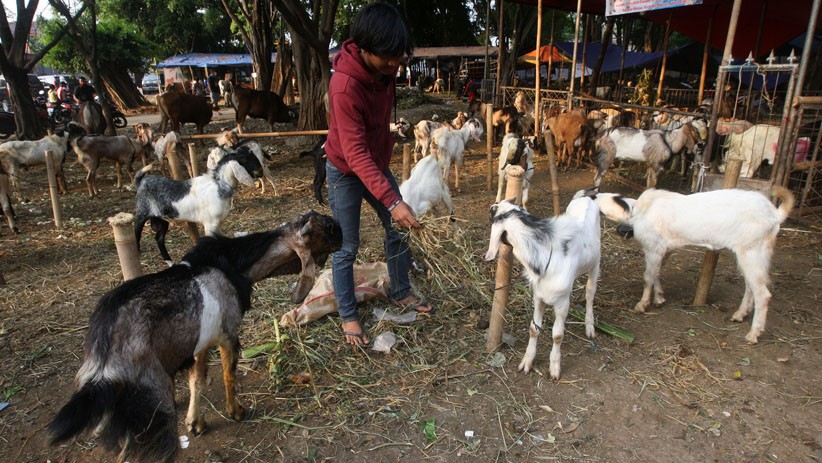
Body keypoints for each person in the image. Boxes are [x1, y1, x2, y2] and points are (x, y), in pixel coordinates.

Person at [325, 2, 433, 347]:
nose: (395, 64)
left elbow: (371, 136)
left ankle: (400, 290)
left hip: (373, 163)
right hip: (344, 169)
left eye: (399, 57)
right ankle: (348, 315)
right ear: (364, 46)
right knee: (347, 245)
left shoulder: (385, 74)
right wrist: (391, 199)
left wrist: (389, 139)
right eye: (388, 57)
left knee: (398, 228)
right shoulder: (344, 85)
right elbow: (354, 152)